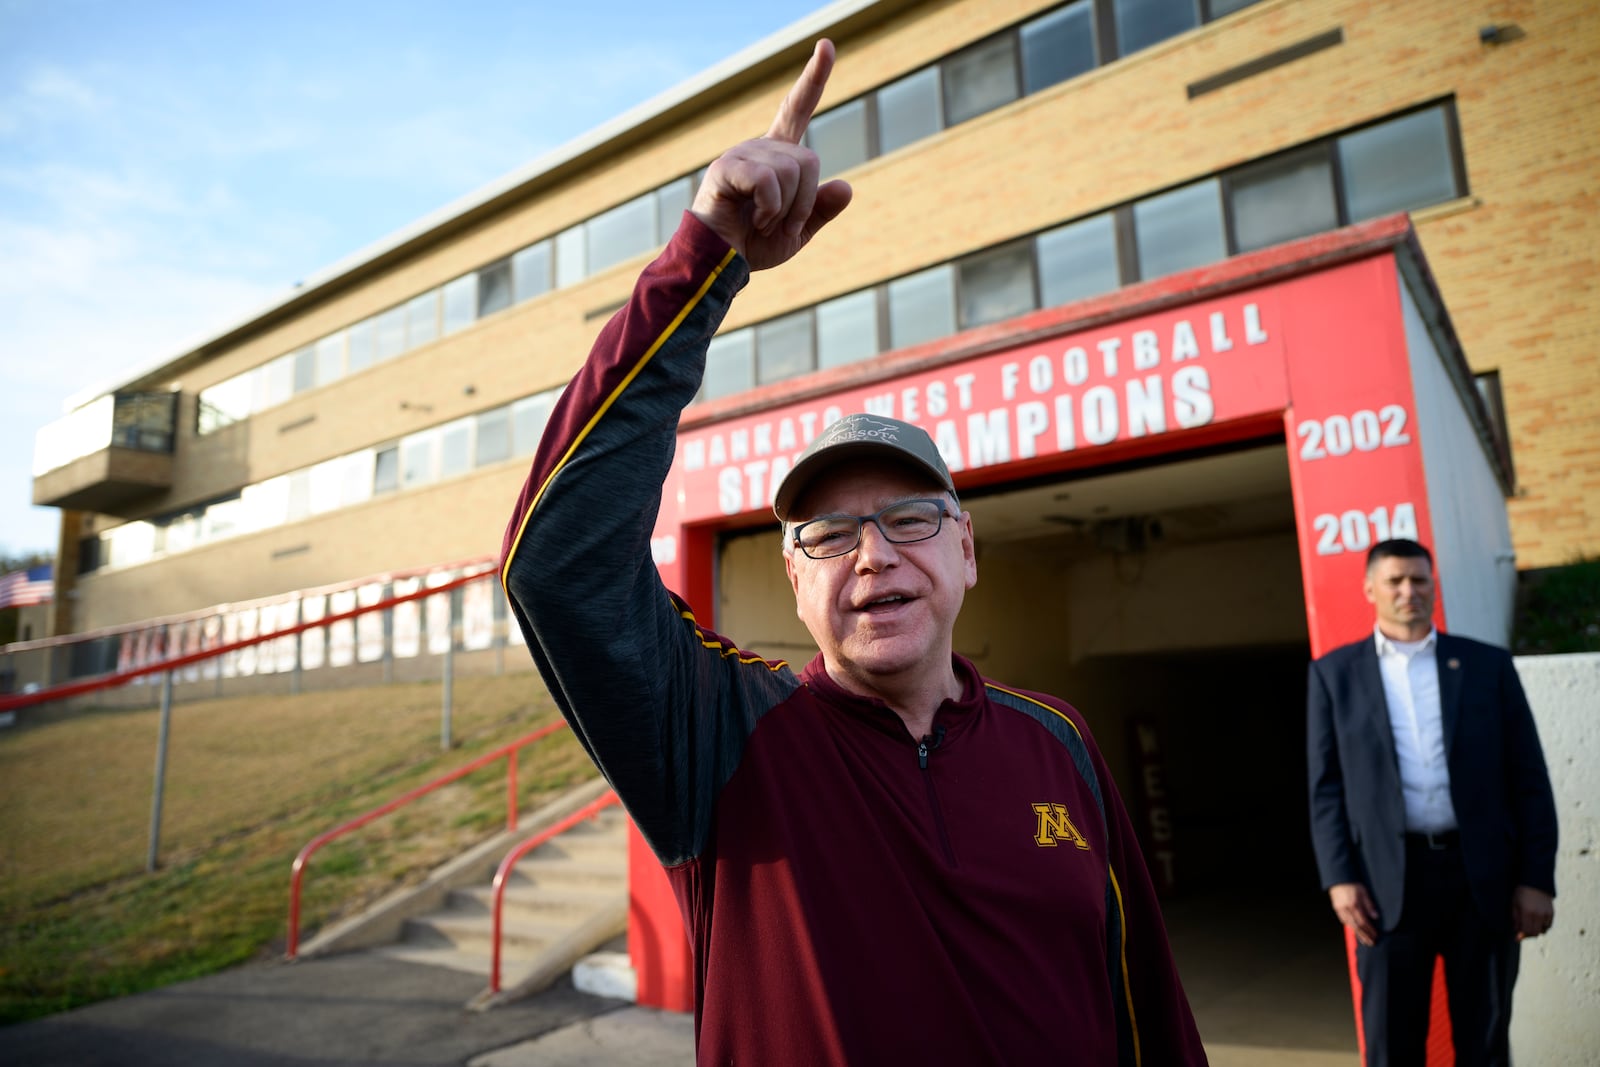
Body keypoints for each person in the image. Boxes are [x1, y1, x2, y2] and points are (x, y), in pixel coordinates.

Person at [500, 39, 1206, 1065]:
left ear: (966, 549)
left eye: (908, 519)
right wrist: (704, 258)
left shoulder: (1059, 743)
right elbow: (558, 564)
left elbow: (1145, 1007)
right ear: (794, 579)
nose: (871, 556)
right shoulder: (723, 739)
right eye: (826, 535)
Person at [1306, 538, 1558, 1065]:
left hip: (1482, 881)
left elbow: (1529, 778)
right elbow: (1325, 788)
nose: (1408, 591)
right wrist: (1339, 880)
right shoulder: (1334, 675)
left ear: (1433, 585)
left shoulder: (1487, 667)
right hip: (1385, 888)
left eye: (1419, 580)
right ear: (1369, 588)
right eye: (1394, 580)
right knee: (1392, 1046)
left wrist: (1536, 879)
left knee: (1484, 1043)